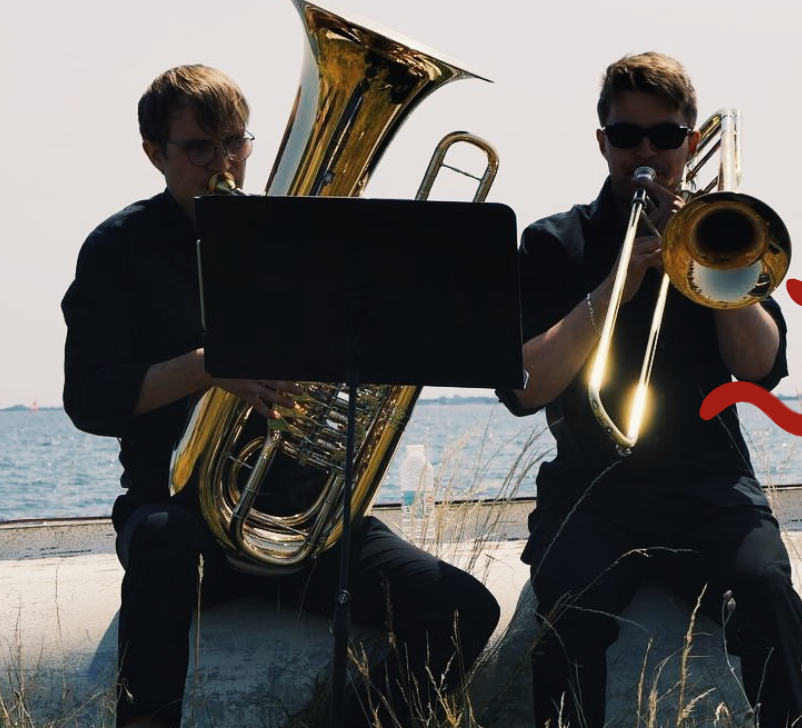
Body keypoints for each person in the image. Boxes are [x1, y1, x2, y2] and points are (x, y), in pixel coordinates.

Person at [62, 64, 501, 728]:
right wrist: (211, 367)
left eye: (235, 143)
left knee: (465, 607)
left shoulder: (299, 241)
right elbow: (89, 399)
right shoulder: (118, 250)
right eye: (199, 149)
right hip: (178, 511)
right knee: (159, 544)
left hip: (301, 518)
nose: (224, 164)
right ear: (155, 153)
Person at [496, 52, 802, 728]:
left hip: (710, 483)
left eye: (665, 137)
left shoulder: (723, 233)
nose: (645, 152)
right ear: (602, 142)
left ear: (690, 143)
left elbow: (760, 366)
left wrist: (708, 267)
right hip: (593, 486)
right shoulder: (554, 243)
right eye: (626, 136)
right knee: (566, 612)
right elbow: (525, 388)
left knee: (769, 592)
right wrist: (620, 282)